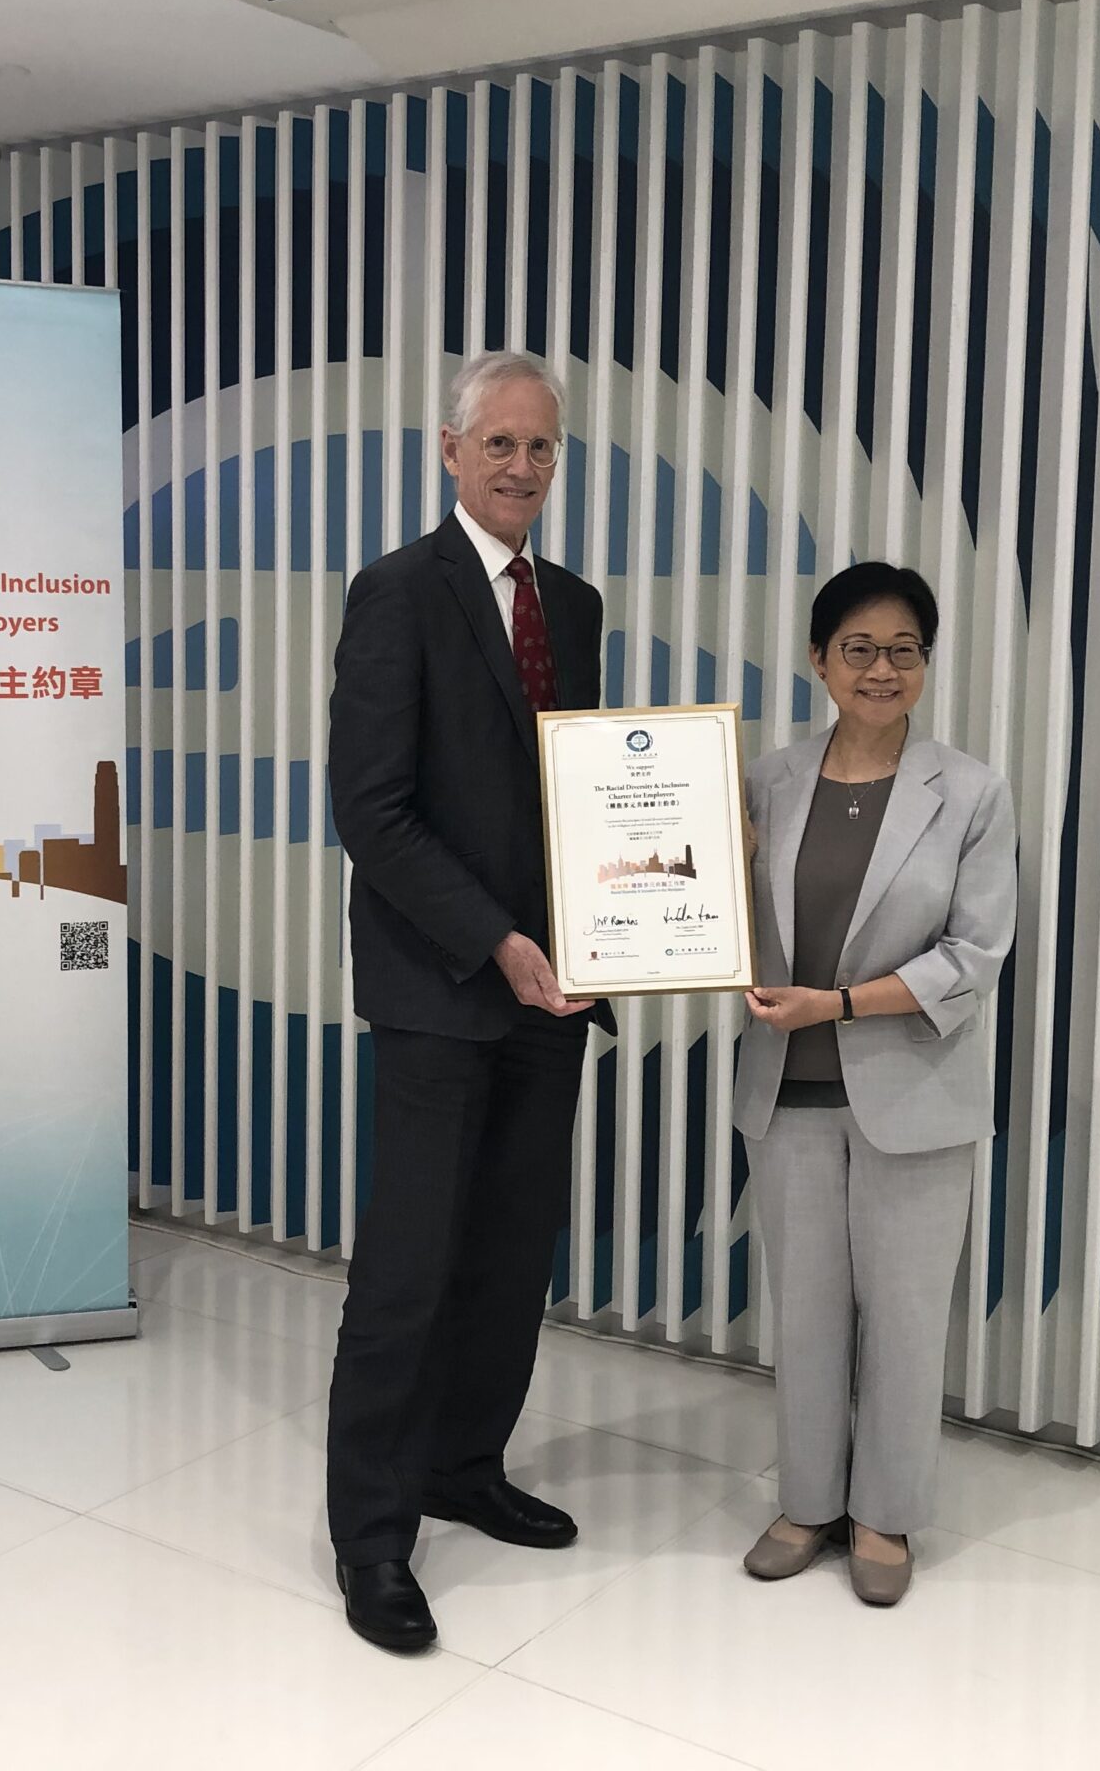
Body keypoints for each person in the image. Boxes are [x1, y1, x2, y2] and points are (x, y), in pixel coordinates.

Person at [323, 349, 606, 1653]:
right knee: (408, 1267)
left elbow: (585, 795)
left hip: (557, 994)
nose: (521, 466)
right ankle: (373, 1535)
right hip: (443, 984)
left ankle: (463, 1466)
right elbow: (372, 812)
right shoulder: (396, 594)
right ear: (449, 452)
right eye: (498, 443)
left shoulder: (578, 607)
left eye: (541, 447)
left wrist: (640, 906)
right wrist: (496, 941)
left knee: (508, 1253)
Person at [731, 563, 1017, 1607]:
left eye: (903, 649)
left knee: (902, 1318)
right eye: (857, 648)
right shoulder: (765, 780)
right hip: (786, 1088)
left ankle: (884, 1516)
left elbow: (973, 957)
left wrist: (839, 1007)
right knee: (803, 1314)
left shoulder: (971, 790)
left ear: (926, 664)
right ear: (818, 660)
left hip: (913, 1093)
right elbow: (715, 903)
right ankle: (807, 1501)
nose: (880, 668)